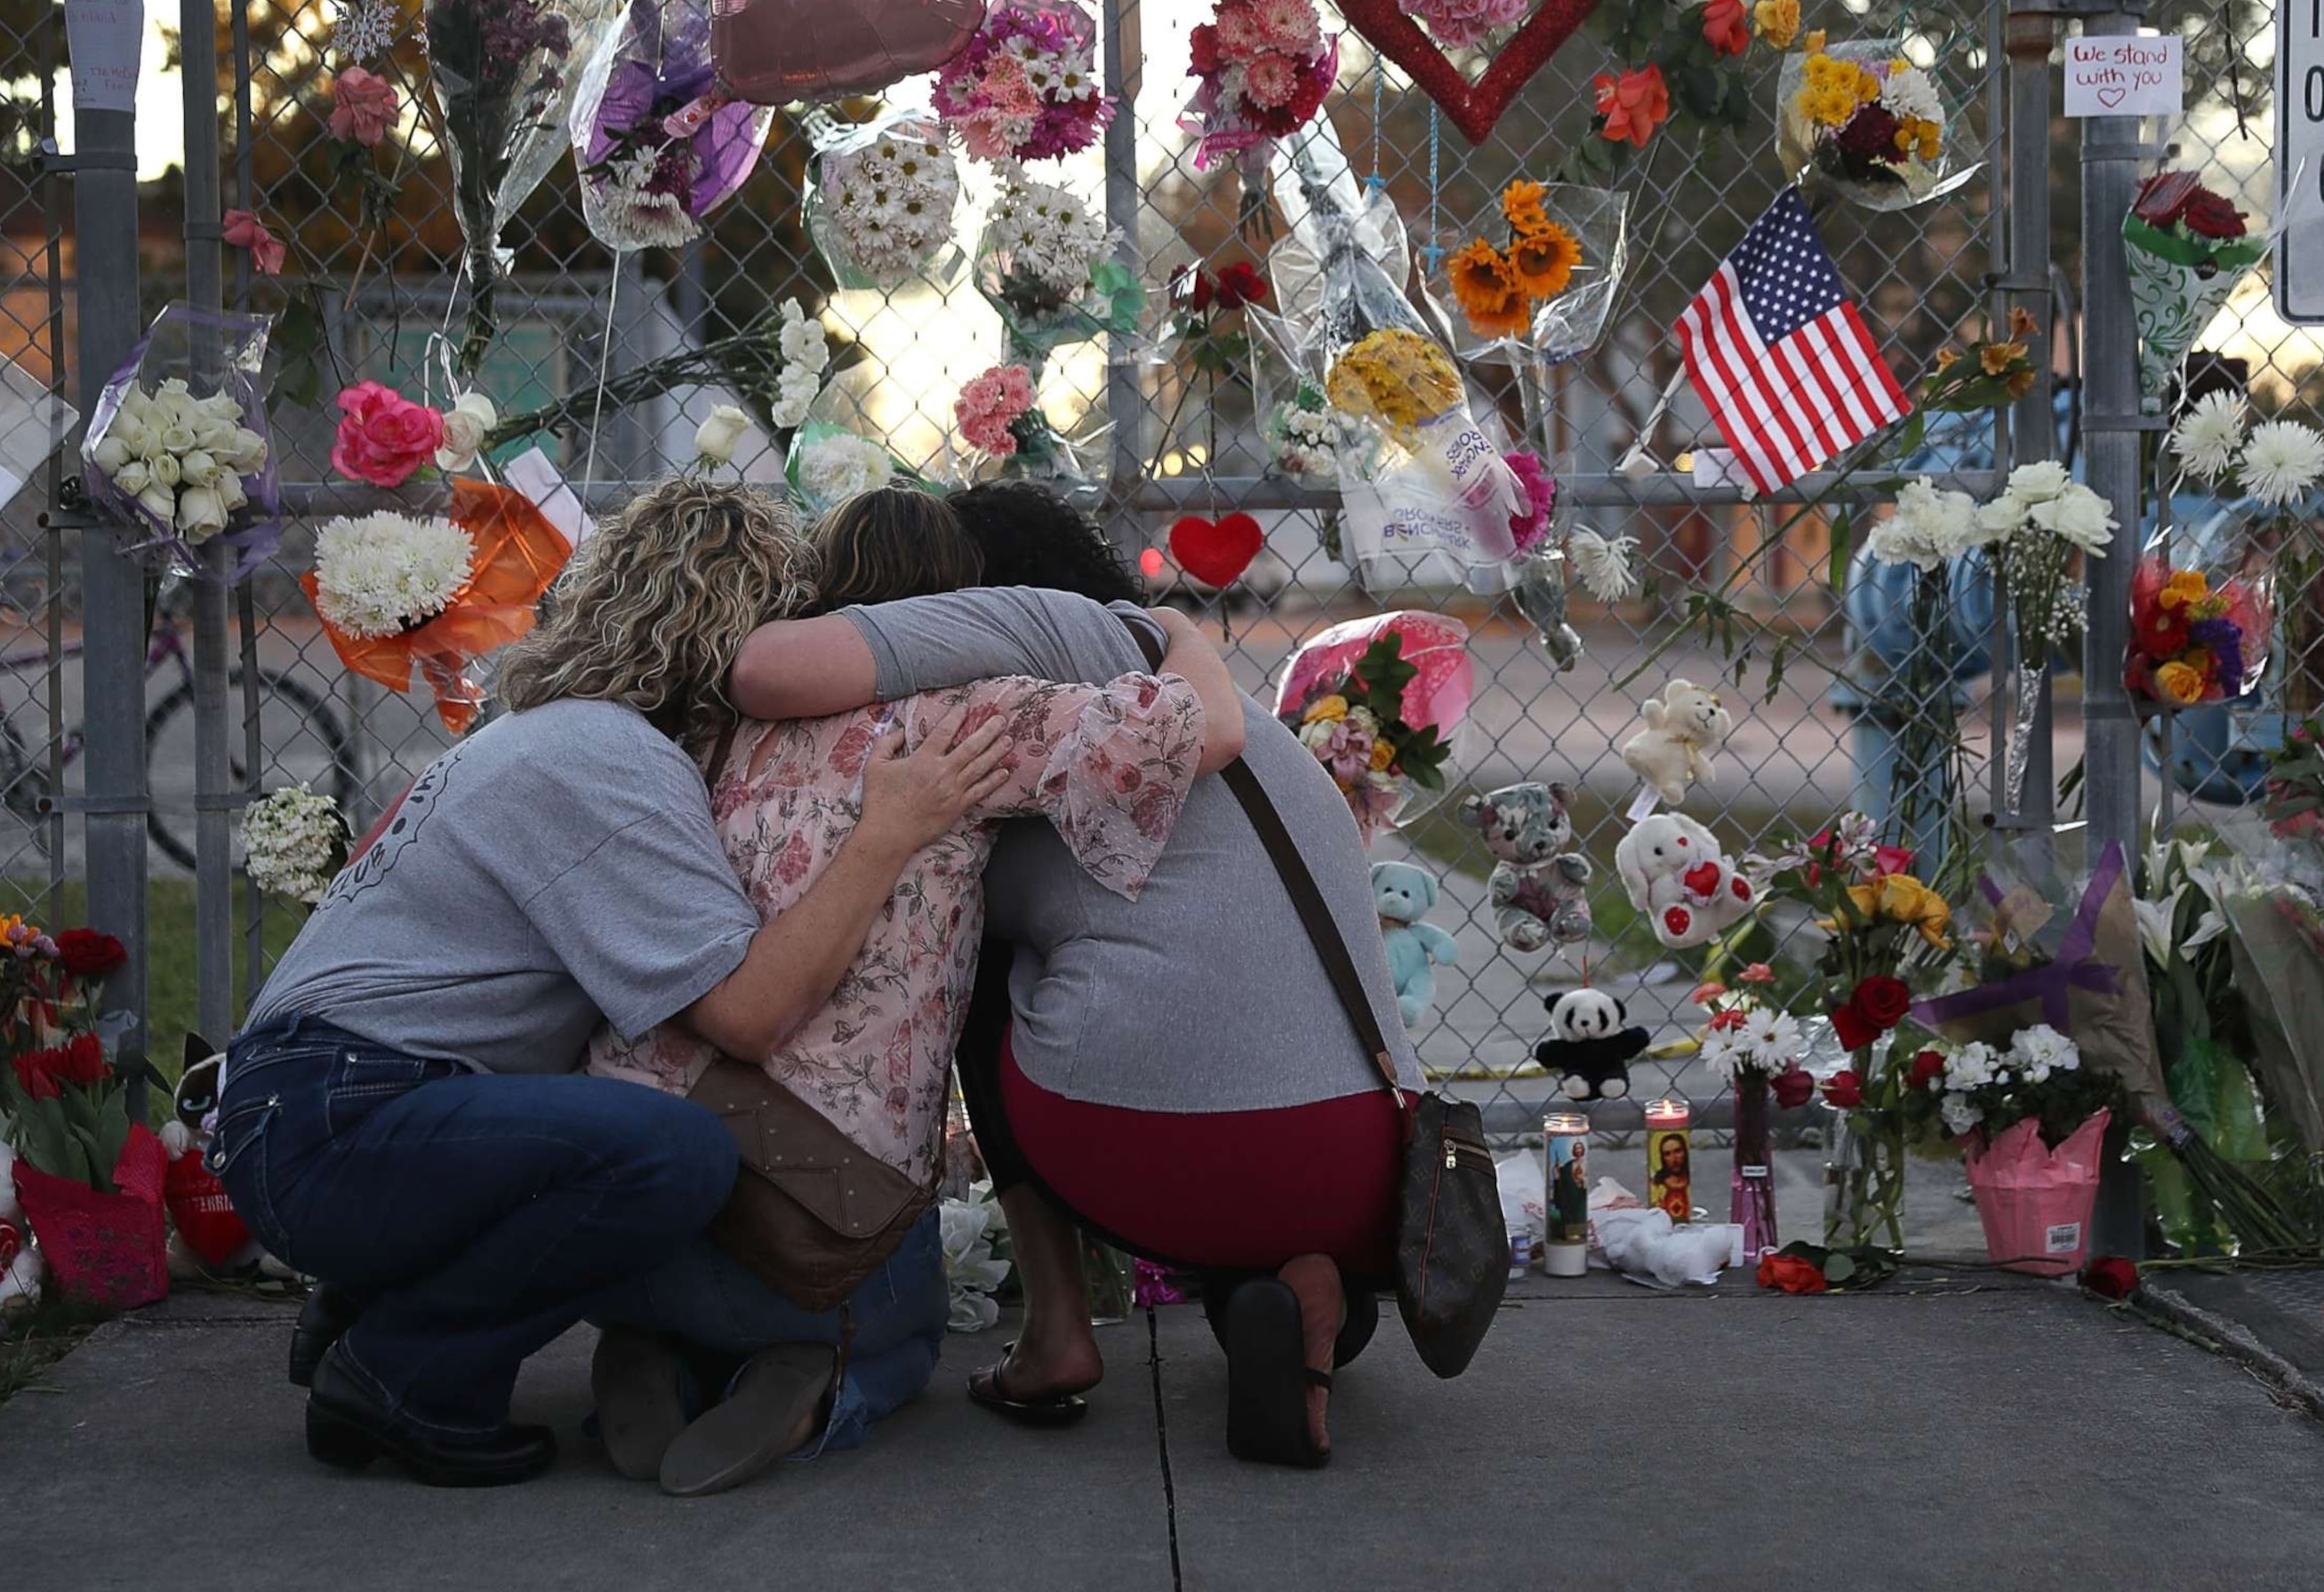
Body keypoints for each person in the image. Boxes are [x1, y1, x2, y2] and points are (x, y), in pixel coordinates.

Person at [212, 481, 1015, 1490]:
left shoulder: (542, 735)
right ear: (735, 638)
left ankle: (383, 1312)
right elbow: (751, 1014)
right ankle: (404, 1371)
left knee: (621, 1127)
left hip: (308, 1109)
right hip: (337, 1122)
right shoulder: (611, 760)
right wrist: (887, 834)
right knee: (673, 1151)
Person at [727, 481, 1426, 1468]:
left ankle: (1057, 1327)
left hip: (1144, 1134)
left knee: (979, 947)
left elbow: (760, 667)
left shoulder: (1031, 666)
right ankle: (1297, 1277)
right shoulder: (1205, 702)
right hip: (1365, 1157)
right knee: (1311, 1292)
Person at [581, 486, 1241, 1490]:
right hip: (814, 1198)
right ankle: (822, 1378)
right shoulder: (963, 717)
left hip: (632, 1145)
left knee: (678, 1257)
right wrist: (1179, 631)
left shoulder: (709, 719)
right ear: (956, 604)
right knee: (899, 1325)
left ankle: (653, 1340)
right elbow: (1197, 730)